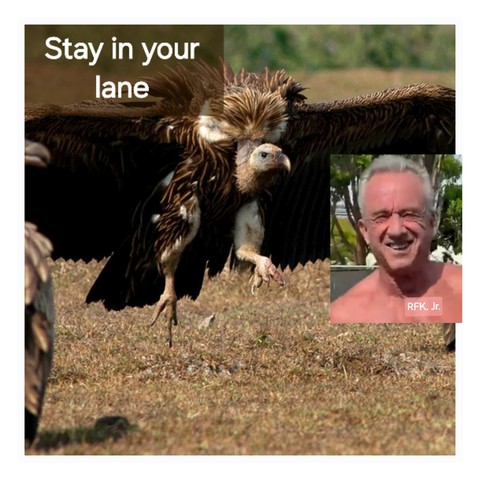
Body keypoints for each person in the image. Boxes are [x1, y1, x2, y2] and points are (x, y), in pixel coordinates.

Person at [330, 155, 462, 323]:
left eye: (409, 214)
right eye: (381, 217)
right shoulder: (343, 314)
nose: (396, 230)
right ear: (364, 231)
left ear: (432, 223)